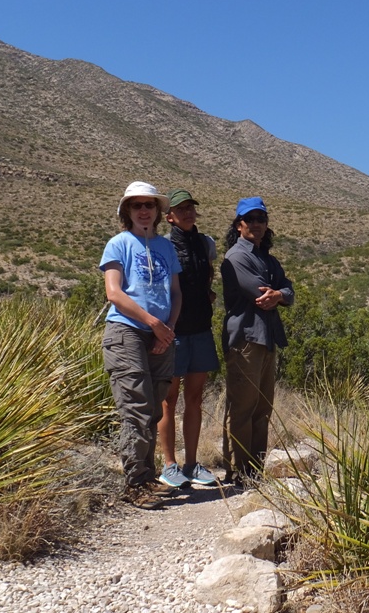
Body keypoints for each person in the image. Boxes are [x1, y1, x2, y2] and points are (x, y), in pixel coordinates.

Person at [100, 181, 182, 510]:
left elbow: (176, 293)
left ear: (158, 212)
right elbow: (115, 293)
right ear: (127, 211)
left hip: (162, 334)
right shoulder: (119, 244)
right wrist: (153, 324)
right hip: (127, 331)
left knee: (153, 406)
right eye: (137, 205)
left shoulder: (166, 247)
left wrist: (169, 330)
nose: (144, 210)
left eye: (149, 204)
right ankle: (135, 483)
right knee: (136, 409)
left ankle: (148, 477)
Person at [220, 196, 294, 486]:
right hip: (245, 339)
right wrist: (279, 294)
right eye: (249, 219)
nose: (255, 224)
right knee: (243, 407)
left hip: (267, 338)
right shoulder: (237, 257)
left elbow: (287, 291)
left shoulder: (268, 259)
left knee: (262, 408)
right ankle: (238, 470)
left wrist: (280, 294)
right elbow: (261, 293)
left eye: (260, 219)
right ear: (239, 225)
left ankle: (254, 469)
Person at [156, 188, 220, 489]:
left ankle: (193, 464)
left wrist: (208, 293)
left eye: (191, 208)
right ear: (169, 217)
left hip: (201, 329)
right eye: (181, 209)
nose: (188, 213)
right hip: (174, 332)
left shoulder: (206, 243)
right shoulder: (165, 246)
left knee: (195, 398)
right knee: (168, 400)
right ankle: (169, 465)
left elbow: (207, 276)